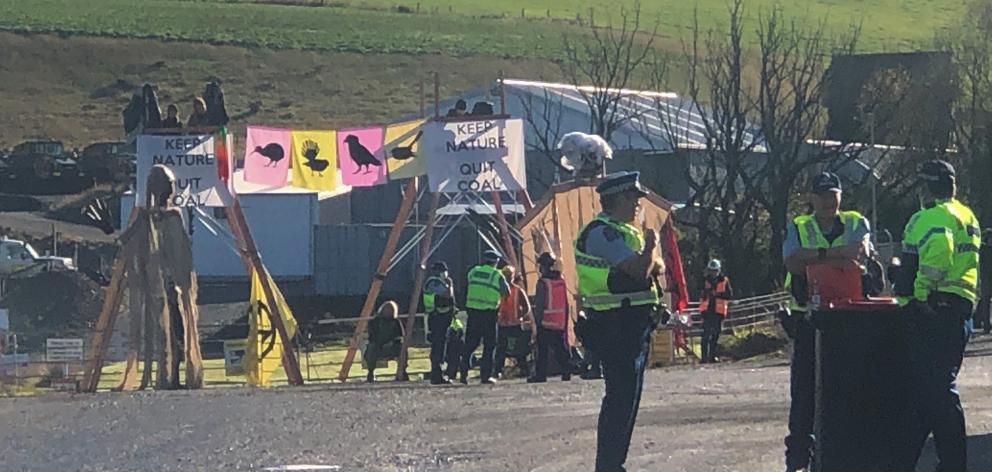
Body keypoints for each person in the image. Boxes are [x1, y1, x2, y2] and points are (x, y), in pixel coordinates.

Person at [889, 160, 979, 472]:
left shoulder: (930, 217)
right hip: (961, 307)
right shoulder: (967, 215)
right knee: (929, 390)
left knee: (937, 389)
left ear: (928, 187)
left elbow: (940, 249)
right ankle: (906, 461)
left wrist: (922, 292)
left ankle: (953, 463)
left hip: (935, 309)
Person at [573, 171, 664, 472]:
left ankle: (615, 464)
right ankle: (609, 465)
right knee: (620, 400)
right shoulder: (603, 233)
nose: (639, 204)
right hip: (614, 324)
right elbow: (640, 270)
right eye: (635, 199)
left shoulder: (626, 231)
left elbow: (655, 267)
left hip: (633, 323)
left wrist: (648, 258)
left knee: (629, 400)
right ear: (619, 199)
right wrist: (651, 247)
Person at [780, 172, 870, 472]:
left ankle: (843, 457)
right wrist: (834, 255)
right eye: (822, 195)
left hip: (849, 319)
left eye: (833, 195)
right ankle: (797, 461)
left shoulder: (857, 222)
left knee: (847, 391)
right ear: (812, 198)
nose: (829, 201)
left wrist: (815, 258)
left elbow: (860, 255)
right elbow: (792, 260)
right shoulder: (799, 226)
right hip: (808, 318)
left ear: (840, 196)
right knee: (804, 393)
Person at [459, 250, 510, 385]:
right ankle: (485, 376)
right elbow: (506, 292)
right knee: (489, 345)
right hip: (489, 314)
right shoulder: (497, 275)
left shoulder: (474, 271)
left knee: (470, 343)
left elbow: (468, 282)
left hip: (473, 312)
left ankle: (463, 373)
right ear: (496, 262)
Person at [528, 252, 572, 383]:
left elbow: (540, 303)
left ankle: (540, 375)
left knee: (543, 350)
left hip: (545, 321)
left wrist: (536, 321)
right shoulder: (561, 281)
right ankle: (566, 371)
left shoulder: (543, 283)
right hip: (559, 321)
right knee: (560, 348)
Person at [494, 266, 536, 379]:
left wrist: (520, 317)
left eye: (509, 276)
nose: (507, 278)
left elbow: (527, 308)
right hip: (502, 324)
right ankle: (497, 370)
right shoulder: (497, 290)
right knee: (500, 348)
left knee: (520, 349)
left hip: (515, 324)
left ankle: (523, 368)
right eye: (506, 276)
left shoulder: (518, 290)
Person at [424, 261, 456, 385]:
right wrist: (450, 284)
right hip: (436, 318)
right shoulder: (433, 282)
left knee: (444, 346)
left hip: (444, 317)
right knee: (438, 346)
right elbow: (447, 294)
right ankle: (436, 374)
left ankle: (444, 372)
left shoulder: (440, 282)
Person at [698, 259, 732, 364]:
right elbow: (700, 293)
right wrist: (707, 293)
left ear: (719, 270)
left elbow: (729, 295)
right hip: (707, 312)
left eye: (715, 270)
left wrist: (716, 294)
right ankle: (704, 358)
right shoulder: (704, 280)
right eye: (711, 270)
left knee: (716, 335)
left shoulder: (724, 281)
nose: (713, 273)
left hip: (718, 312)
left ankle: (712, 356)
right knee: (705, 335)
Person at [365, 301, 405, 383]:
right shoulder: (374, 322)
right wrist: (379, 344)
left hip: (392, 346)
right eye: (387, 309)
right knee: (371, 348)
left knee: (402, 349)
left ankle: (403, 371)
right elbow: (372, 336)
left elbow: (400, 335)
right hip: (378, 347)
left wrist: (392, 342)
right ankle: (370, 372)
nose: (389, 312)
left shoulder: (396, 322)